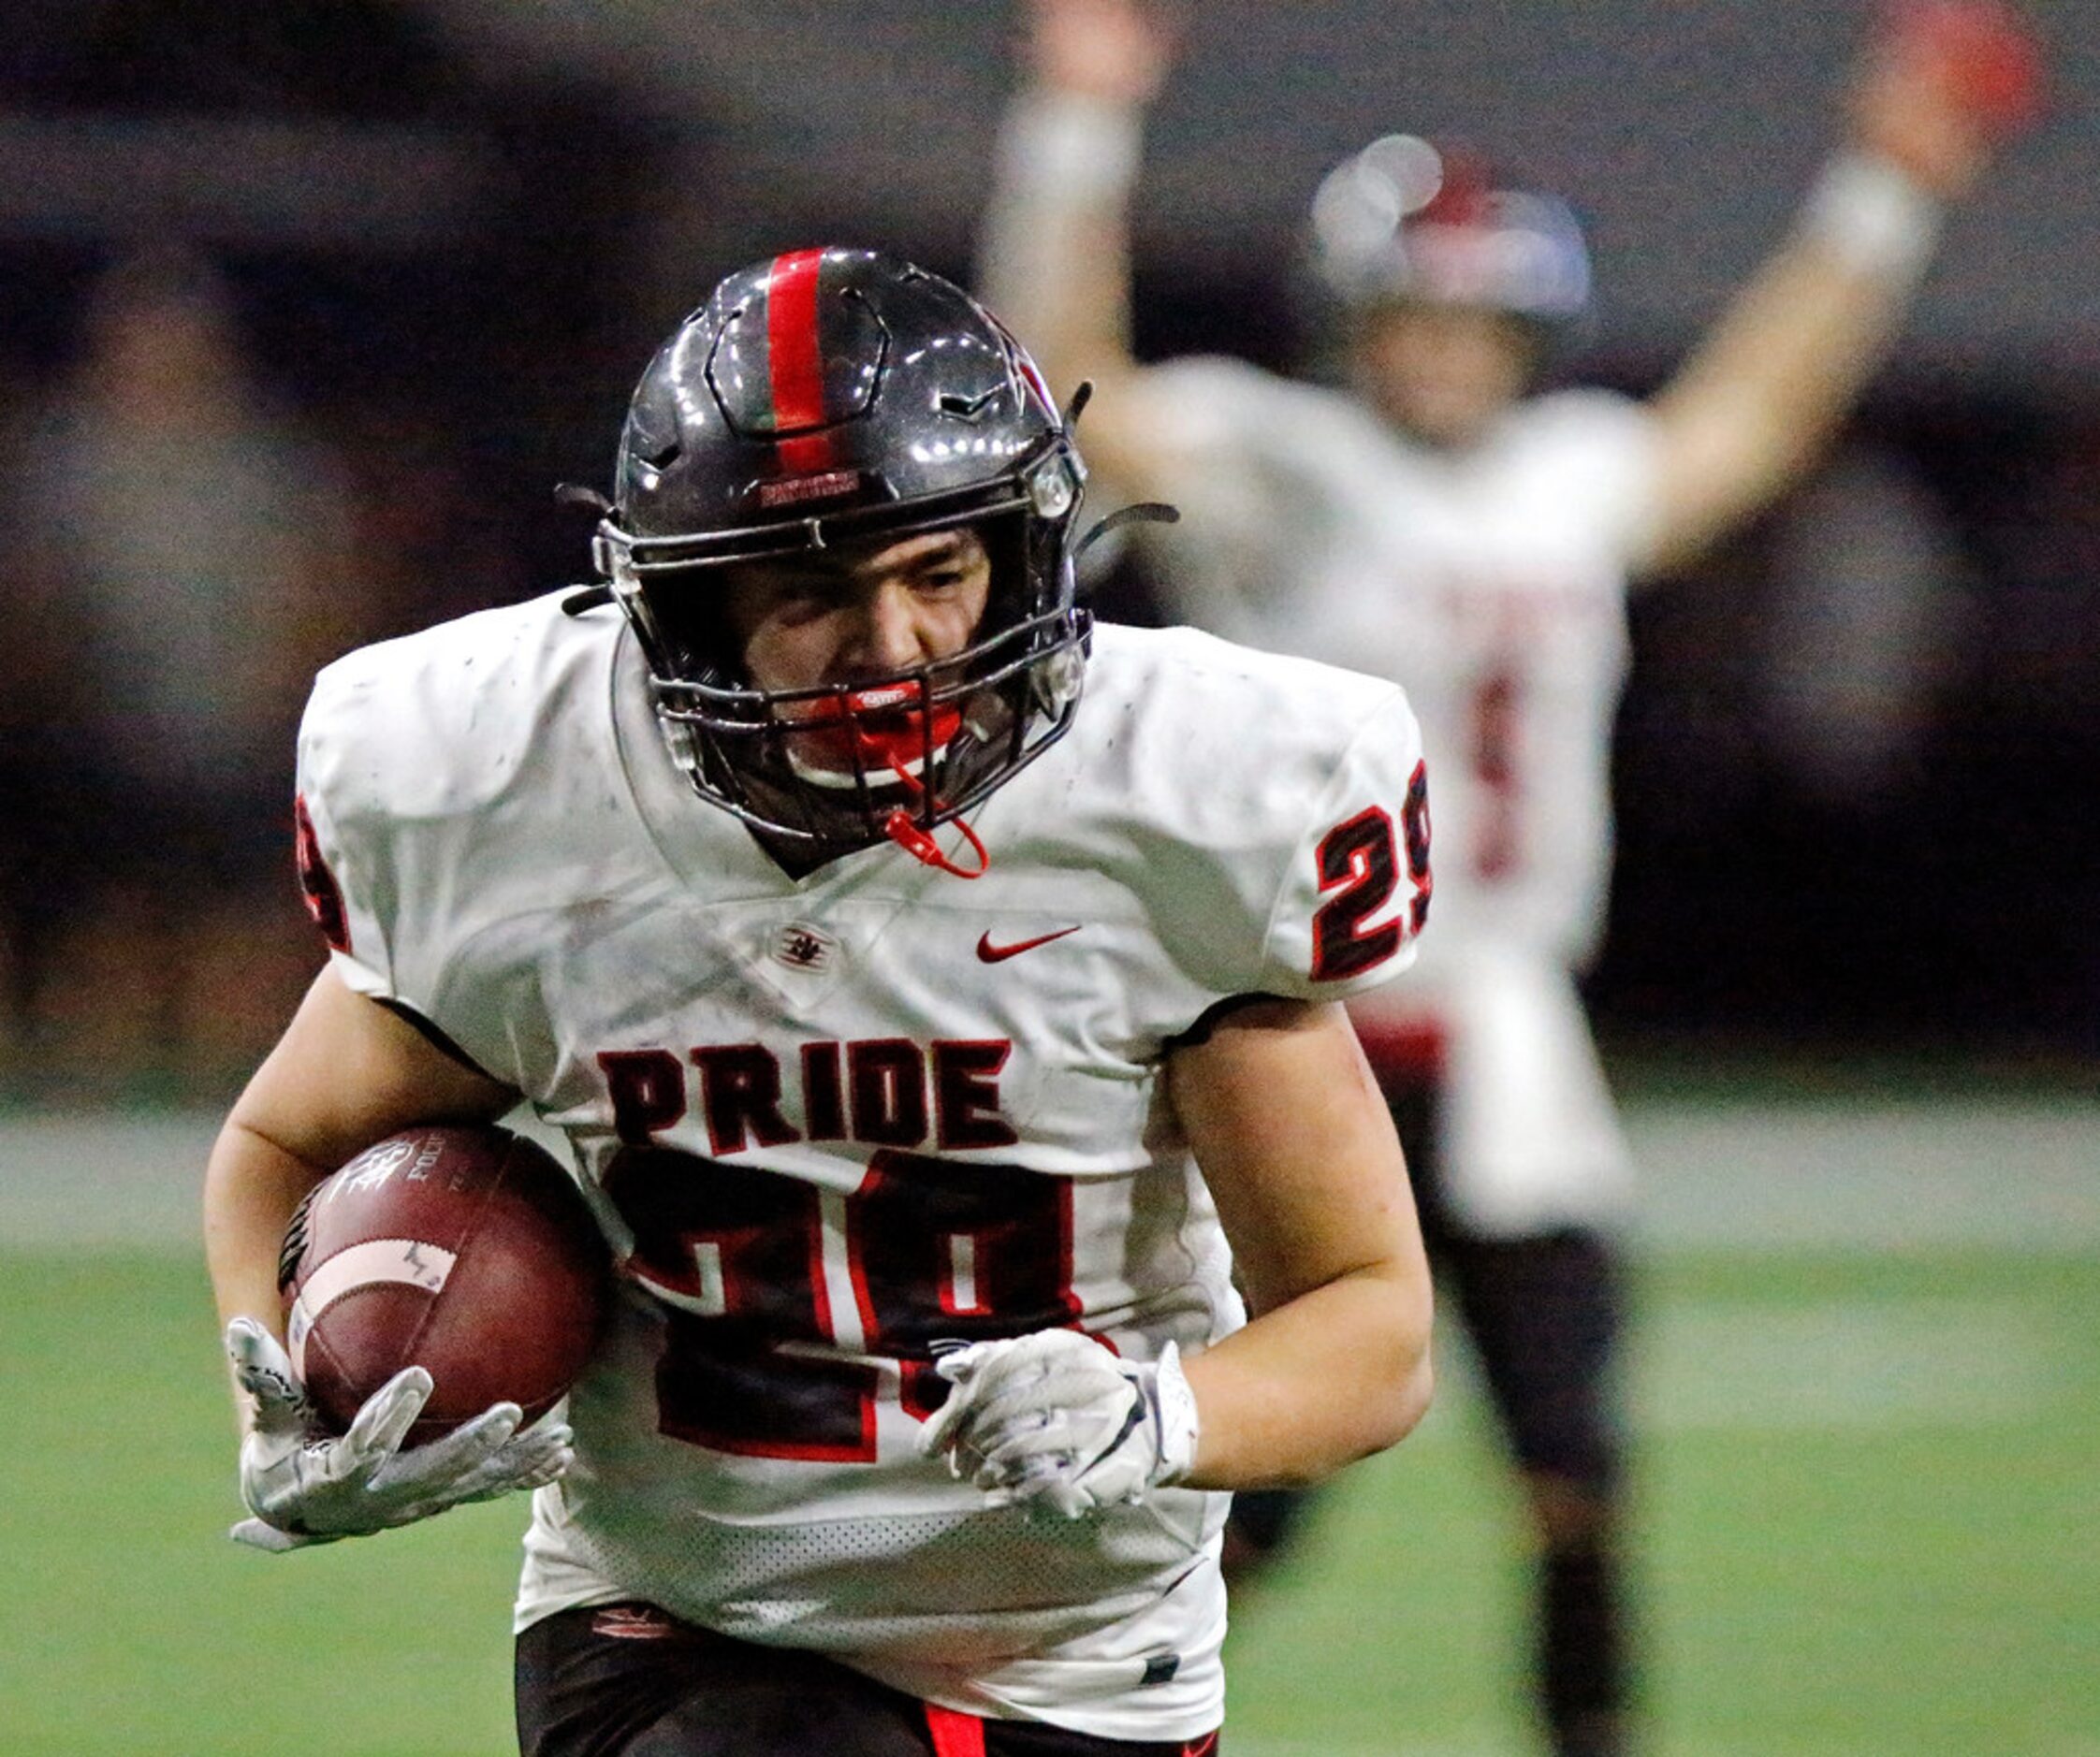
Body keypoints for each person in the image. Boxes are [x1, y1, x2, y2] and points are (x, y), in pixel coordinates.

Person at [203, 247, 1440, 1755]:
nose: (896, 648)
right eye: (809, 593)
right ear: (688, 610)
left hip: (1071, 1659)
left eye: (939, 573)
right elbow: (284, 1142)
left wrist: (1162, 1413)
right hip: (671, 1616)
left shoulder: (1183, 806)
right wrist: (276, 1382)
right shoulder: (522, 791)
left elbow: (1371, 1325)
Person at [975, 3, 2041, 1753]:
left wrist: (1888, 192)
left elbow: (1757, 412)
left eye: (1481, 316)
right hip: (1292, 1030)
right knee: (1240, 1490)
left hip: (1509, 1033)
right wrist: (1079, 124)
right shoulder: (1282, 459)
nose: (1450, 348)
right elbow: (1059, 368)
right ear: (1353, 317)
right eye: (1419, 310)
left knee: (1577, 1474)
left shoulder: (1570, 477)